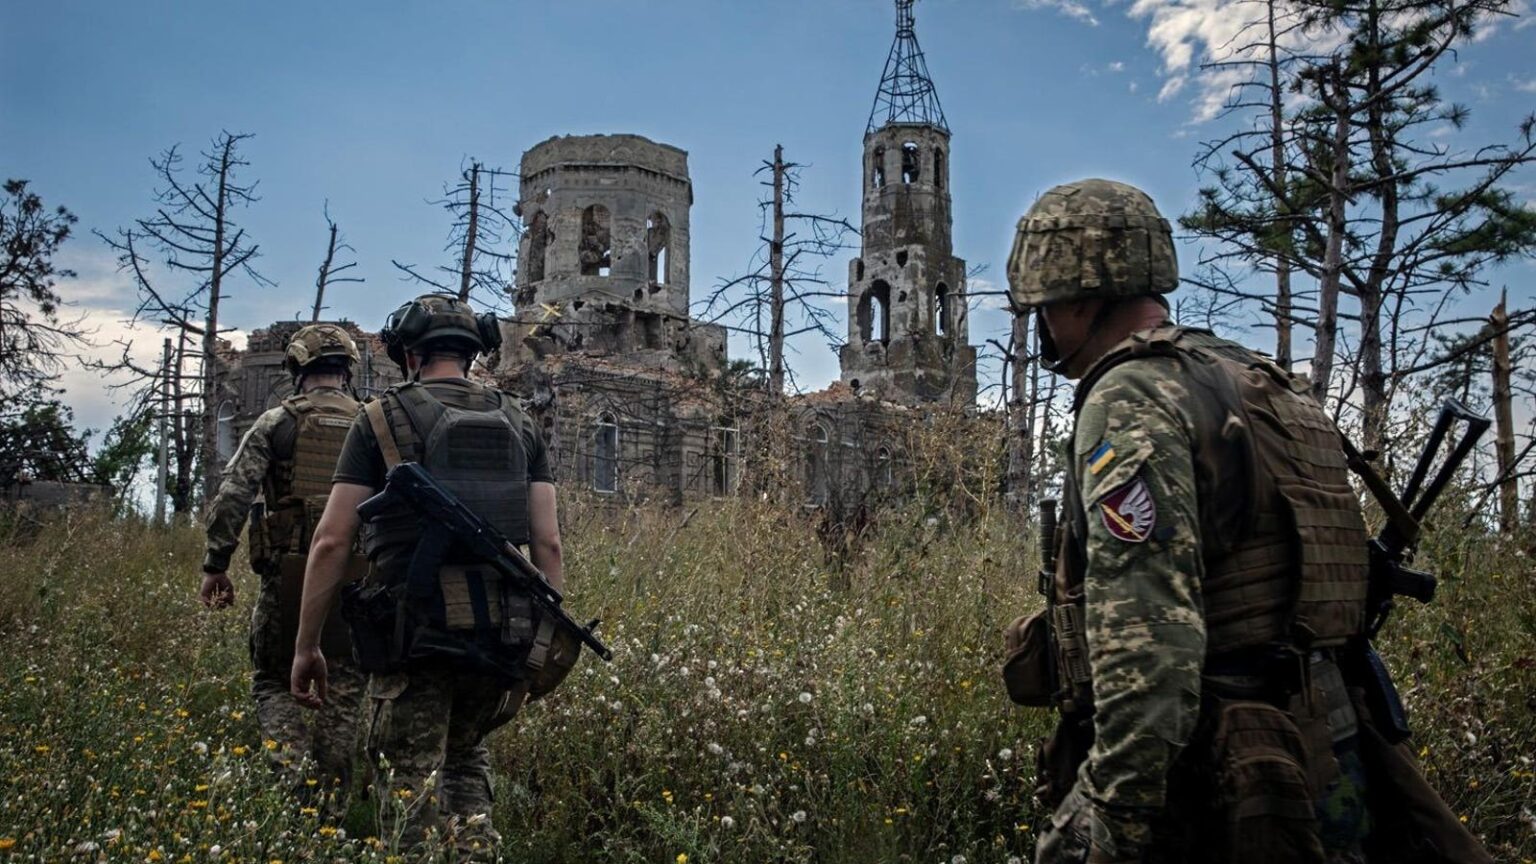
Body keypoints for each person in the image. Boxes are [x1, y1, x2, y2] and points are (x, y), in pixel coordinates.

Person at [998, 179, 1490, 864]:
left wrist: (1107, 820)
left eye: (1046, 307)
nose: (1044, 325)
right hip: (1330, 747)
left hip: (1226, 777)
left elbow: (1150, 650)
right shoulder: (1257, 378)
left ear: (1079, 296)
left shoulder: (1132, 394)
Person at [290, 294, 566, 858]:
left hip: (414, 632)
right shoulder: (520, 421)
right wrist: (541, 644)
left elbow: (333, 540)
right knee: (467, 768)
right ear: (473, 354)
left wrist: (307, 645)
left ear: (408, 353)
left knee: (408, 791)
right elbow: (548, 544)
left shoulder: (379, 419)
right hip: (499, 632)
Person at [199, 323, 368, 801]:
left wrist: (216, 565)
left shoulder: (278, 422)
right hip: (357, 586)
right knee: (346, 687)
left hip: (288, 580)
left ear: (297, 369)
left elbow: (234, 497)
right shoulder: (373, 426)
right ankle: (331, 814)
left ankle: (291, 796)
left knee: (274, 680)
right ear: (347, 370)